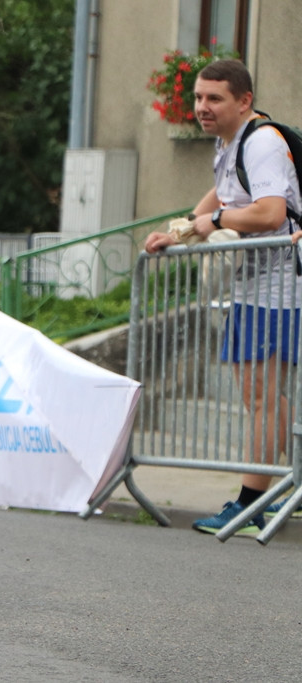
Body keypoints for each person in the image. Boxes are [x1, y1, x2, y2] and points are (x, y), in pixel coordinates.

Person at [144, 59, 302, 535]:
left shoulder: (263, 144)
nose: (201, 107)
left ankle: (254, 503)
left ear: (244, 101)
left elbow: (271, 213)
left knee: (262, 395)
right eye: (197, 97)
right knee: (260, 393)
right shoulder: (231, 143)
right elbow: (223, 191)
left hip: (281, 288)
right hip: (256, 284)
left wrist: (209, 225)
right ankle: (278, 492)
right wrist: (179, 230)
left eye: (214, 99)